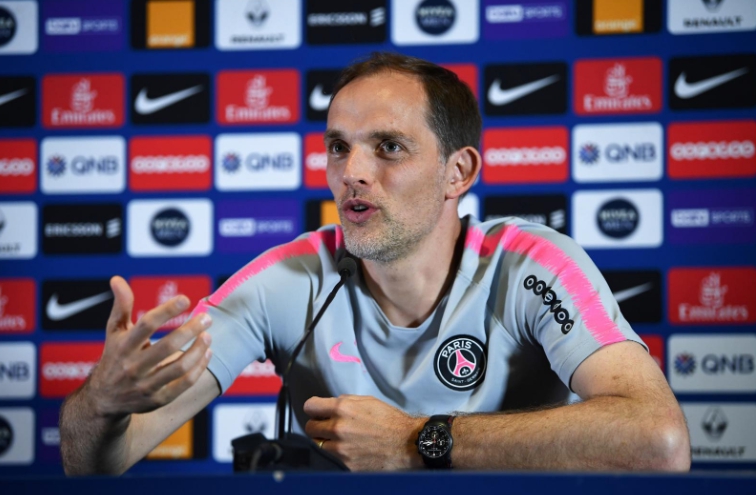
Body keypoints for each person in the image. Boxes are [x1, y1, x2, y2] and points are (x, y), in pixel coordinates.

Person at [59, 52, 690, 474]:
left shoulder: (532, 264)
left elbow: (658, 441)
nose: (352, 173)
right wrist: (102, 405)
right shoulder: (285, 279)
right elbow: (98, 463)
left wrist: (416, 441)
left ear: (458, 172)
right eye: (339, 147)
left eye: (388, 147)